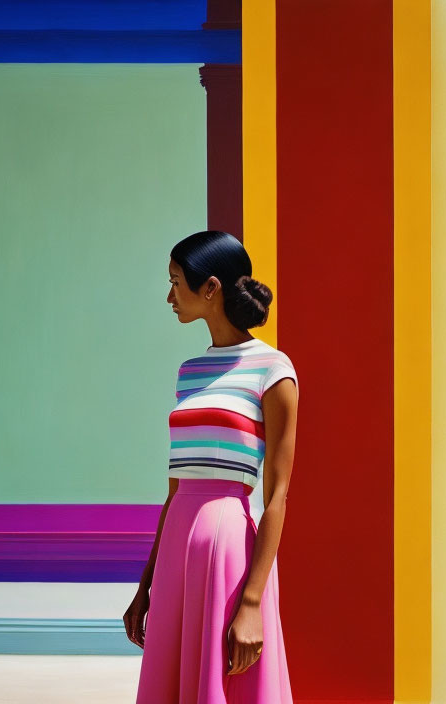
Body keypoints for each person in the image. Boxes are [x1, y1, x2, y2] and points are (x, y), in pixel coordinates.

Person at [127, 230, 298, 703]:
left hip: (229, 554)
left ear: (211, 288)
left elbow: (277, 495)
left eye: (176, 282)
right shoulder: (189, 371)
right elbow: (174, 490)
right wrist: (145, 586)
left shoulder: (273, 369)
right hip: (177, 550)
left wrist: (252, 602)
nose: (169, 296)